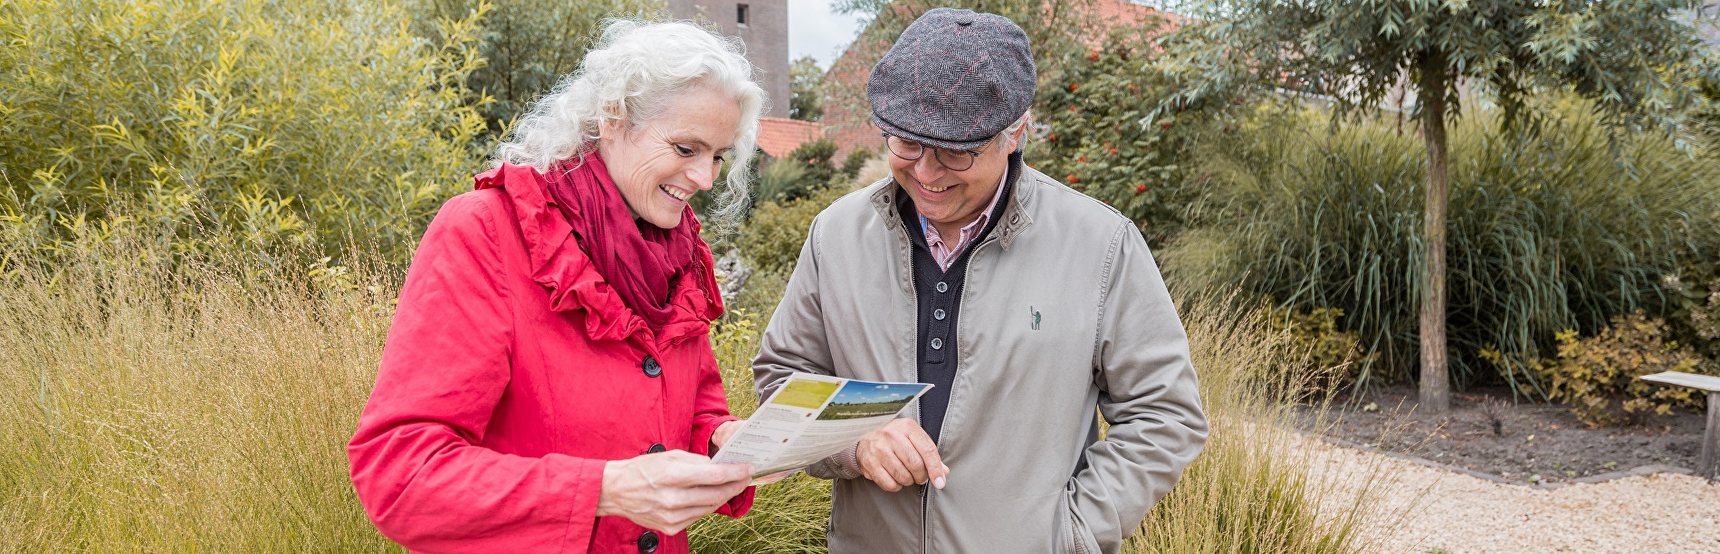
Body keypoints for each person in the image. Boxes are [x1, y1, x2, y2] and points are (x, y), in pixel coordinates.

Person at [752, 8, 1208, 554]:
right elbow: (783, 378)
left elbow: (1164, 414)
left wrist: (1070, 536)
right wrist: (856, 442)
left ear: (1015, 132)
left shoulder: (1102, 245)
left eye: (955, 151)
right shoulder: (836, 235)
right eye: (906, 143)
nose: (925, 172)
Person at [348, 20, 764, 554]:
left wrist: (722, 441)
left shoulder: (678, 252)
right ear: (613, 120)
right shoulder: (486, 232)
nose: (705, 178)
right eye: (686, 148)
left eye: (718, 156)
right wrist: (602, 490)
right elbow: (401, 474)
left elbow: (692, 409)